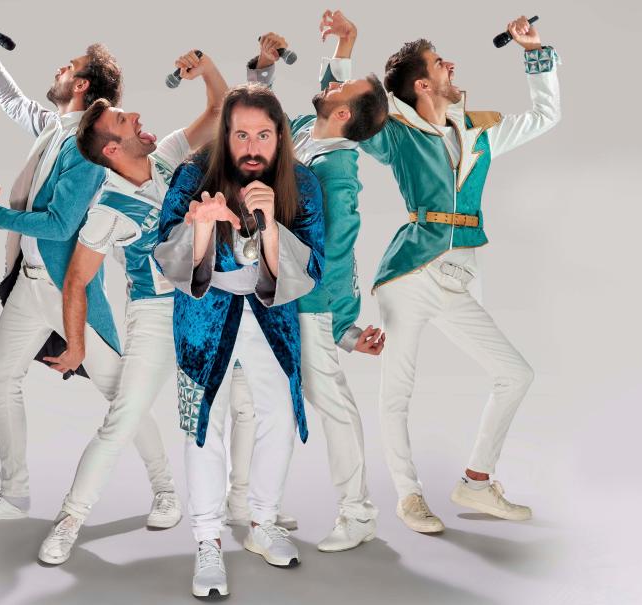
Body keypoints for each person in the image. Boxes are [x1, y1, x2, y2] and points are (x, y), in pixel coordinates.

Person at [0, 14, 174, 526]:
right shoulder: (55, 128)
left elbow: (59, 224)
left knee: (119, 394)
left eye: (67, 67)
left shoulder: (89, 153)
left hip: (66, 292)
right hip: (28, 287)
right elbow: (15, 104)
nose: (57, 70)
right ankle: (14, 494)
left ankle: (165, 489)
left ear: (80, 86)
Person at [348, 12, 561, 532]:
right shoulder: (396, 134)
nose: (452, 66)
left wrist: (535, 51)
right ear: (422, 84)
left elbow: (546, 115)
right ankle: (409, 496)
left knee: (515, 374)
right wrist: (342, 51)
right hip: (408, 274)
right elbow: (348, 114)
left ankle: (476, 482)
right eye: (440, 62)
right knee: (398, 389)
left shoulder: (479, 131)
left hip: (459, 275)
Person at [33, 50, 228, 565]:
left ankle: (244, 511)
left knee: (233, 410)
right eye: (124, 120)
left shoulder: (165, 157)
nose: (137, 115)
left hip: (211, 304)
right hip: (157, 316)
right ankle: (70, 518)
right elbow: (76, 281)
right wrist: (77, 345)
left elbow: (219, 110)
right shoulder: (107, 209)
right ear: (113, 148)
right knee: (122, 419)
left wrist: (207, 71)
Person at [153, 84, 325, 598]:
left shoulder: (302, 183)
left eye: (263, 135)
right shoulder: (192, 175)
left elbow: (312, 265)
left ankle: (263, 522)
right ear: (226, 136)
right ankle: (207, 540)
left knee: (279, 416)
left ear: (280, 137)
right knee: (203, 424)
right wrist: (203, 227)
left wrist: (269, 225)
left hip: (271, 312)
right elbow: (165, 252)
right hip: (205, 313)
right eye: (241, 135)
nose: (252, 147)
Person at [227, 14, 388, 553]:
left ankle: (358, 513)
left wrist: (342, 328)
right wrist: (344, 41)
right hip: (269, 290)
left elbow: (337, 254)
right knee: (251, 395)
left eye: (340, 88)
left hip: (309, 304)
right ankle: (245, 500)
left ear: (342, 114)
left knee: (330, 402)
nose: (329, 84)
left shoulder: (338, 172)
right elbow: (266, 126)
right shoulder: (305, 131)